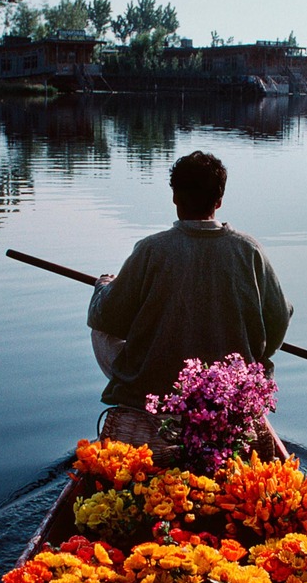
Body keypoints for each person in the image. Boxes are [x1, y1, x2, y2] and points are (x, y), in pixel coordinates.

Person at [87, 151, 292, 433]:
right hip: (229, 389)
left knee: (99, 329)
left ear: (175, 198)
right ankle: (238, 398)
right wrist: (257, 355)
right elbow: (280, 318)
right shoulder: (249, 249)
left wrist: (103, 287)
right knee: (260, 358)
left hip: (155, 388)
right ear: (219, 201)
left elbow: (107, 317)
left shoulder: (151, 249)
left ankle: (145, 409)